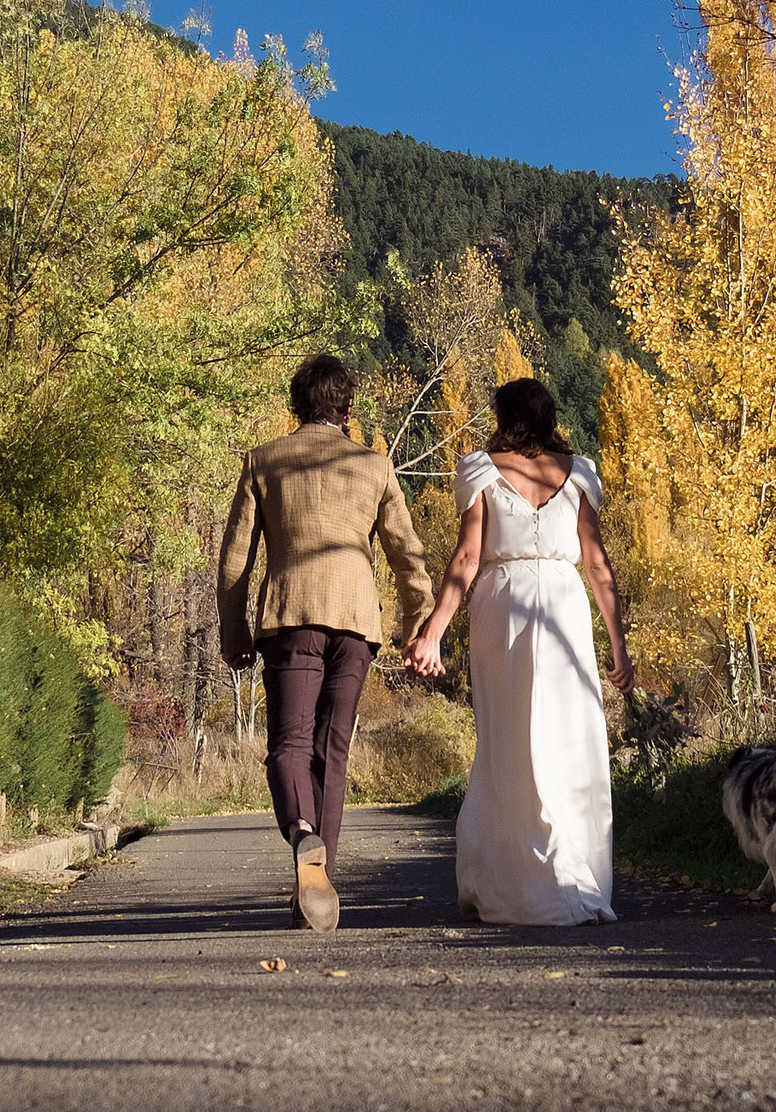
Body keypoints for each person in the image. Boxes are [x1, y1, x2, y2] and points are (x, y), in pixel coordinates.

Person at [407, 377, 634, 925]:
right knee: (566, 739)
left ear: (502, 415)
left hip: (502, 606)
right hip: (563, 607)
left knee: (507, 742)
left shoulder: (482, 470)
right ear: (550, 416)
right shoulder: (578, 473)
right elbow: (598, 566)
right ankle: (572, 875)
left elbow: (466, 558)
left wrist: (434, 631)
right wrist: (619, 644)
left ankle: (514, 879)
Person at [218, 354, 434, 930]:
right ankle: (317, 888)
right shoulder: (374, 466)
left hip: (291, 619)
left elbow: (235, 560)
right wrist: (419, 622)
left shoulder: (264, 461)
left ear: (296, 405)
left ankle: (303, 835)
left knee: (288, 743)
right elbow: (406, 552)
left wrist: (234, 631)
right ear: (348, 407)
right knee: (330, 752)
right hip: (356, 622)